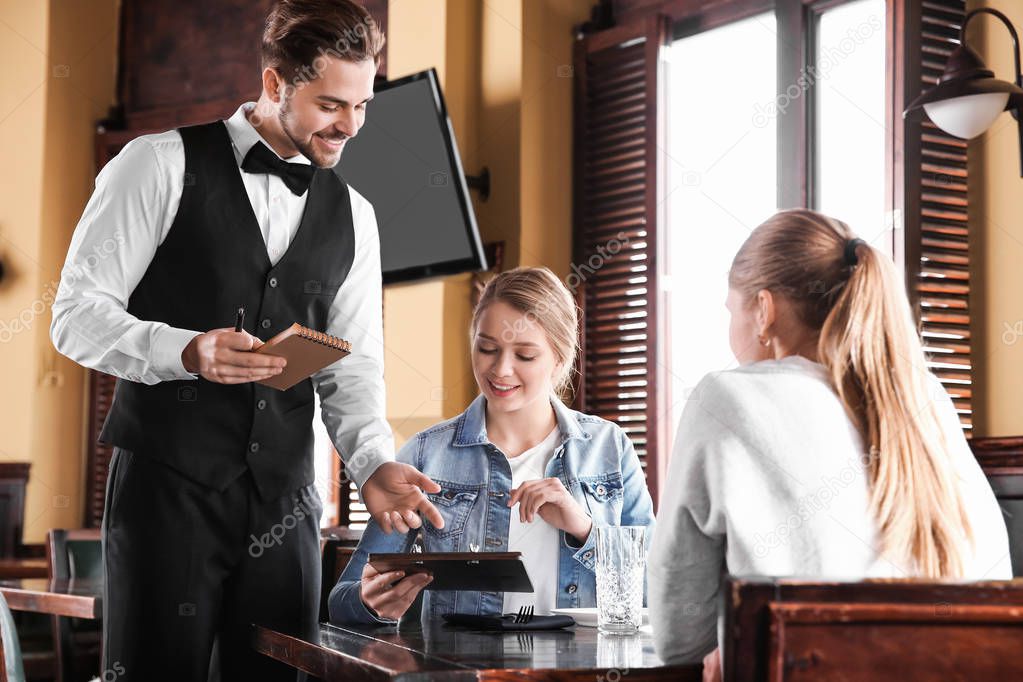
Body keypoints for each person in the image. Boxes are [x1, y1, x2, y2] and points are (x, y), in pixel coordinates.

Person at [49, 1, 443, 678]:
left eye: (363, 105)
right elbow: (73, 315)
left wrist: (373, 463)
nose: (350, 126)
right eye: (330, 104)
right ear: (272, 84)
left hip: (285, 506)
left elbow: (352, 368)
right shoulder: (157, 164)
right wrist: (184, 350)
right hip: (167, 492)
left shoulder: (356, 216)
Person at [647, 209, 1011, 676]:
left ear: (764, 310)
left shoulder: (726, 398)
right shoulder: (928, 400)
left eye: (731, 310)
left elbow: (680, 638)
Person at [328, 267, 655, 625]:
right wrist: (370, 603)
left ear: (559, 359)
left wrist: (583, 528)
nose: (501, 369)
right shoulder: (425, 455)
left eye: (525, 356)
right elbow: (342, 600)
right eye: (487, 348)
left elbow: (652, 591)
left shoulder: (609, 448)